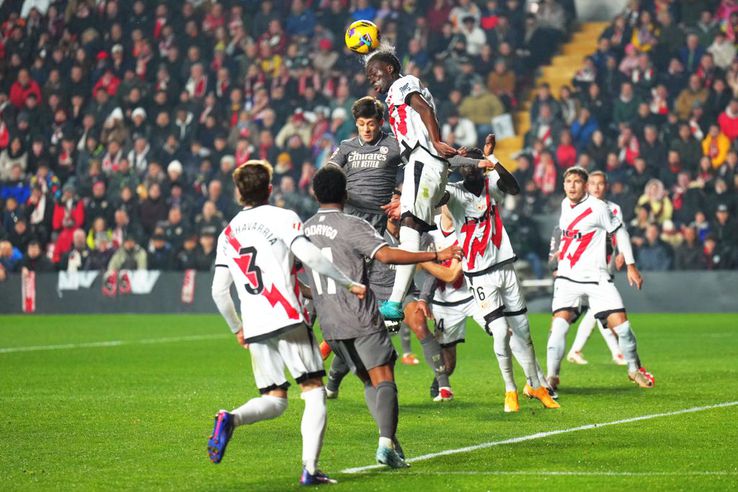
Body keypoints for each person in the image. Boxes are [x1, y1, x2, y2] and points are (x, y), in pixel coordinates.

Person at [208, 160, 366, 485]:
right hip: (287, 317)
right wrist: (347, 282)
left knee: (275, 400)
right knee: (314, 392)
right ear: (269, 188)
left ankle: (230, 418)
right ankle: (309, 469)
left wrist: (237, 328)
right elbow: (309, 256)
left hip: (255, 325)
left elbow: (218, 291)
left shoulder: (227, 233)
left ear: (239, 192)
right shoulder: (283, 217)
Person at [302, 166, 461, 469]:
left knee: (368, 382)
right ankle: (386, 444)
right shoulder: (352, 225)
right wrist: (434, 256)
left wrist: (314, 298)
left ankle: (391, 442)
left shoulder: (304, 229)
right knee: (384, 380)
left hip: (331, 324)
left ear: (315, 193)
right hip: (361, 317)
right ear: (346, 194)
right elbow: (387, 255)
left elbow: (294, 278)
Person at [364, 50, 493, 321]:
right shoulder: (394, 91)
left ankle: (396, 301)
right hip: (420, 163)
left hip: (423, 160)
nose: (372, 80)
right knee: (410, 227)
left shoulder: (402, 83)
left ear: (389, 69)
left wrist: (434, 140)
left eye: (375, 73)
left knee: (410, 227)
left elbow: (422, 107)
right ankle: (396, 301)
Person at [438, 135, 559, 411]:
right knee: (501, 331)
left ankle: (536, 386)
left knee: (523, 330)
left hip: (505, 266)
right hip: (479, 274)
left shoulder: (490, 183)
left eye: (473, 161)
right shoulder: (454, 192)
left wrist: (492, 160)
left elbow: (514, 188)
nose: (469, 166)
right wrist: (446, 164)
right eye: (465, 162)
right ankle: (510, 390)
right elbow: (437, 195)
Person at [546, 167, 655, 391]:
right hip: (567, 278)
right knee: (558, 327)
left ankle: (634, 369)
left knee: (623, 329)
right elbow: (571, 234)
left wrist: (631, 266)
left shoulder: (599, 208)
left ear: (585, 186)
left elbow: (621, 232)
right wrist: (561, 253)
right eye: (568, 181)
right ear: (564, 185)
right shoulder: (565, 204)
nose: (572, 185)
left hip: (597, 278)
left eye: (577, 182)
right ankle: (551, 378)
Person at [562, 171, 627, 367]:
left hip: (607, 263)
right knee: (597, 309)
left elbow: (619, 232)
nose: (596, 187)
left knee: (596, 310)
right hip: (585, 267)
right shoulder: (574, 205)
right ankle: (616, 352)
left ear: (606, 186)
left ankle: (577, 350)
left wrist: (622, 253)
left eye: (600, 184)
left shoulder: (615, 209)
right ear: (587, 186)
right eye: (593, 184)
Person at [326, 96, 403, 234]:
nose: (366, 129)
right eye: (361, 124)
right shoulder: (346, 146)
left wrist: (404, 201)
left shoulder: (395, 144)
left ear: (381, 122)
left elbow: (417, 166)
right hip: (350, 213)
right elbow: (330, 171)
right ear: (356, 123)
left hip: (380, 217)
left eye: (371, 124)